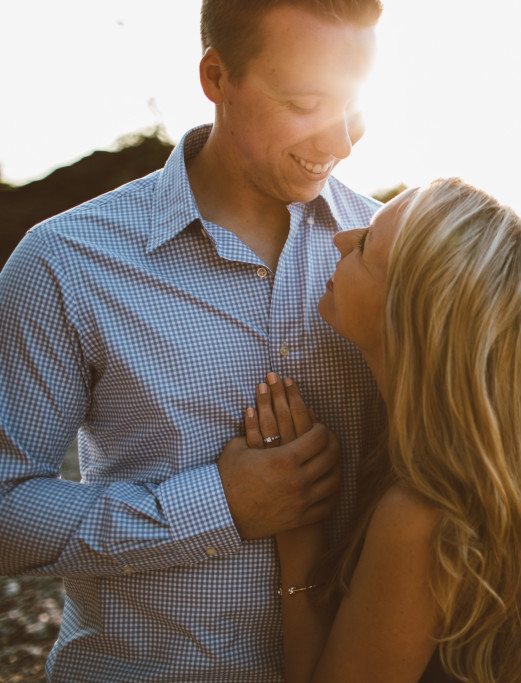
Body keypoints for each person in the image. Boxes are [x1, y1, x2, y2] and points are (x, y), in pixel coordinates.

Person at [0, 1, 388, 680]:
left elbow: (497, 447)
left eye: (353, 107)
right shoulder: (63, 262)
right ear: (216, 76)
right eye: (304, 102)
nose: (341, 144)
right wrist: (216, 505)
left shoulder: (398, 257)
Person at [241, 178, 521, 682]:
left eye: (365, 245)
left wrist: (299, 531)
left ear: (410, 311)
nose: (341, 239)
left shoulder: (422, 517)